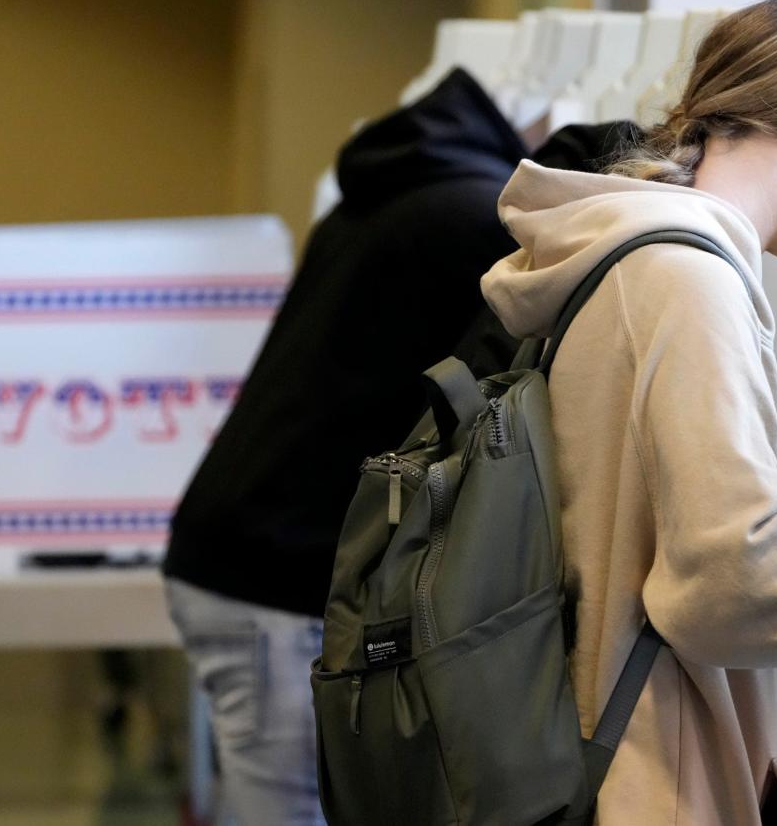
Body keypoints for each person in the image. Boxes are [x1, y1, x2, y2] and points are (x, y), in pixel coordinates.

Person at [480, 0, 777, 825]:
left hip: (598, 750)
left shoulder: (634, 257)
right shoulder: (686, 283)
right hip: (652, 776)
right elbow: (732, 577)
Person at [162, 65, 637, 826]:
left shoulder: (402, 190)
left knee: (270, 797)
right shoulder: (472, 224)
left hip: (239, 548)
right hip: (271, 575)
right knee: (283, 808)